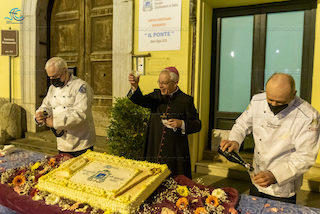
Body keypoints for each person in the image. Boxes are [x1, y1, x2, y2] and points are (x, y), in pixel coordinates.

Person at [220, 73, 320, 204]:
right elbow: (242, 124)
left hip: (282, 186)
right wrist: (235, 140)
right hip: (256, 176)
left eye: (279, 102)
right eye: (270, 99)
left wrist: (275, 175)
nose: (273, 104)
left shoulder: (308, 116)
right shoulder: (257, 101)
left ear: (293, 94)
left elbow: (305, 156)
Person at [127, 67, 201, 178]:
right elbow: (140, 100)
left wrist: (181, 123)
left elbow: (197, 124)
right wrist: (135, 86)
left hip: (175, 152)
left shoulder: (186, 100)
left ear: (175, 83)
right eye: (159, 82)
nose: (161, 86)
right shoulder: (156, 96)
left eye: (164, 83)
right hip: (154, 145)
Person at [35, 57, 96, 157]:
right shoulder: (52, 89)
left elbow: (80, 114)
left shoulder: (81, 87)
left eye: (55, 76)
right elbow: (46, 105)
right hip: (62, 142)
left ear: (65, 71)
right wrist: (40, 114)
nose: (52, 80)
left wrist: (54, 122)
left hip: (81, 142)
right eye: (50, 77)